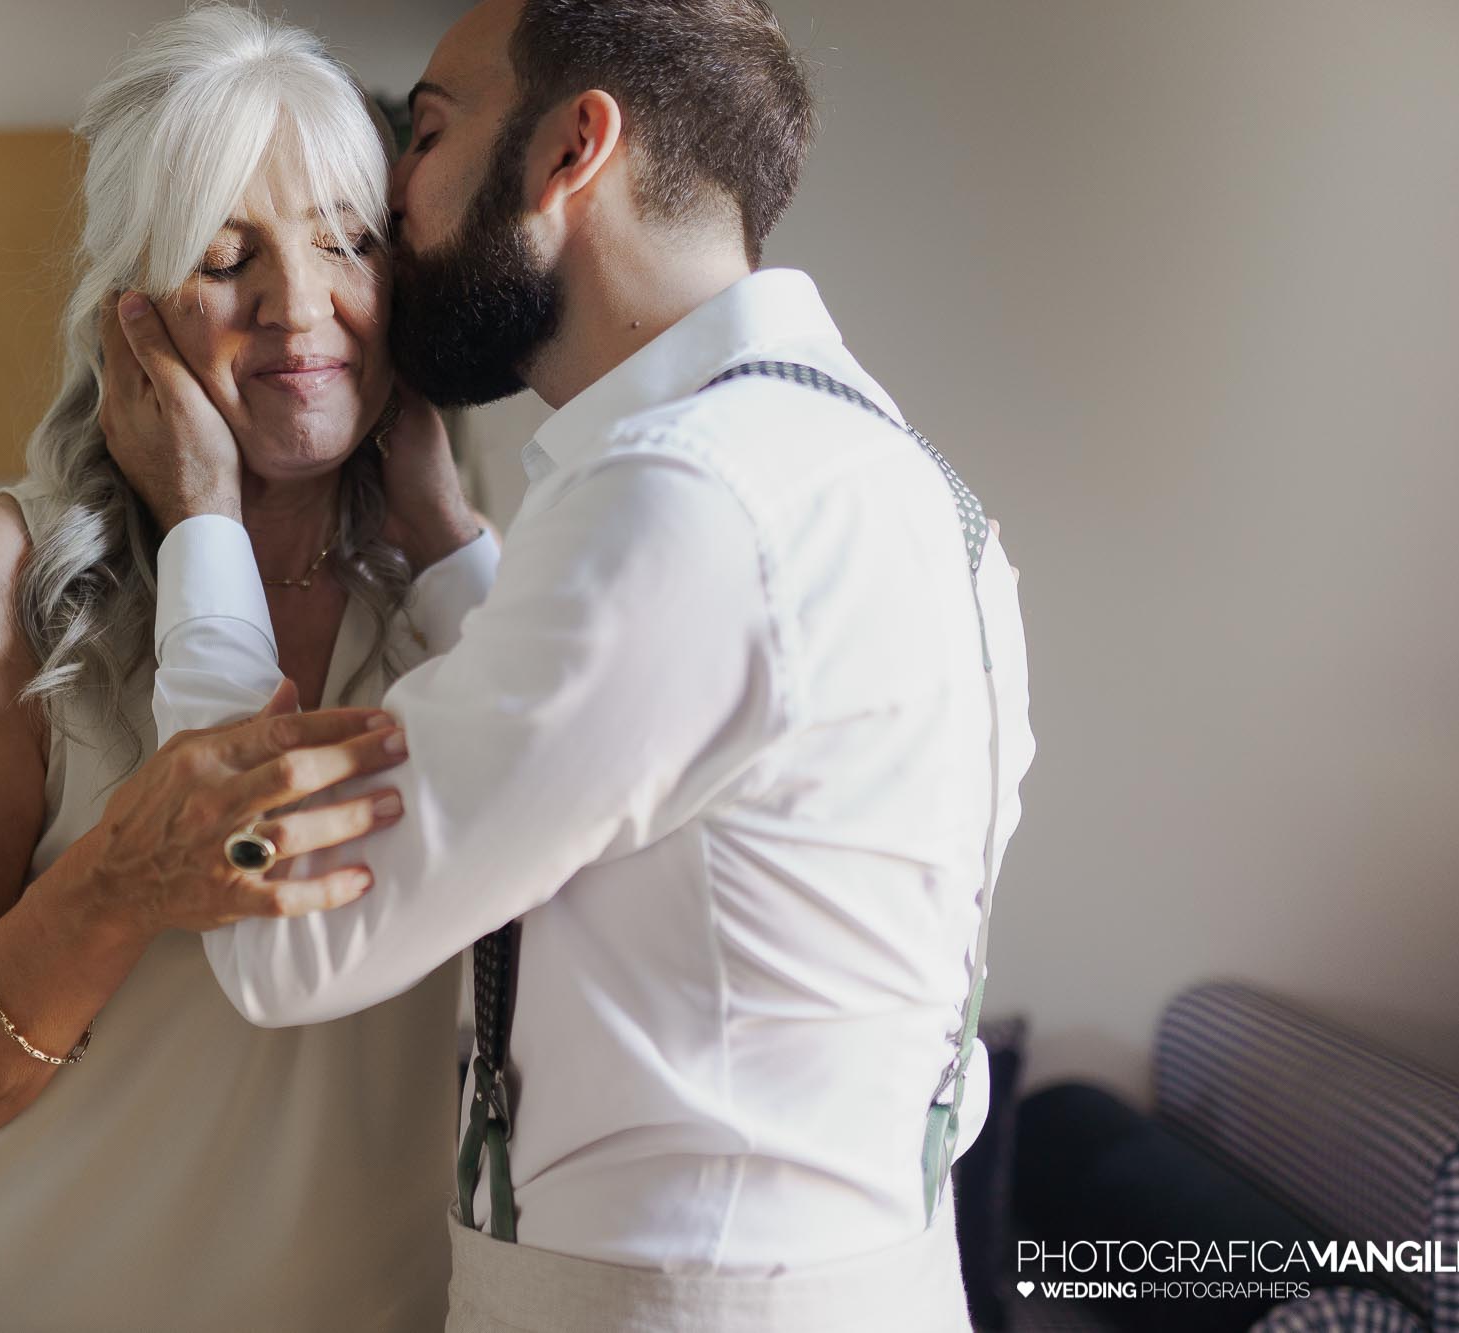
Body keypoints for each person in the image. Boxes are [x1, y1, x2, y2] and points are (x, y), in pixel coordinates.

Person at [103, 0, 1038, 1328]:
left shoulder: (683, 503)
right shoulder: (901, 482)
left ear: (567, 152)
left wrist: (202, 519)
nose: (396, 196)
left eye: (428, 135)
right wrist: (443, 536)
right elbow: (607, 758)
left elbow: (279, 930)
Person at [0, 7, 494, 1329]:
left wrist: (449, 530)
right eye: (226, 254)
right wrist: (119, 881)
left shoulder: (462, 596)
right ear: (131, 314)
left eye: (346, 241)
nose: (300, 306)